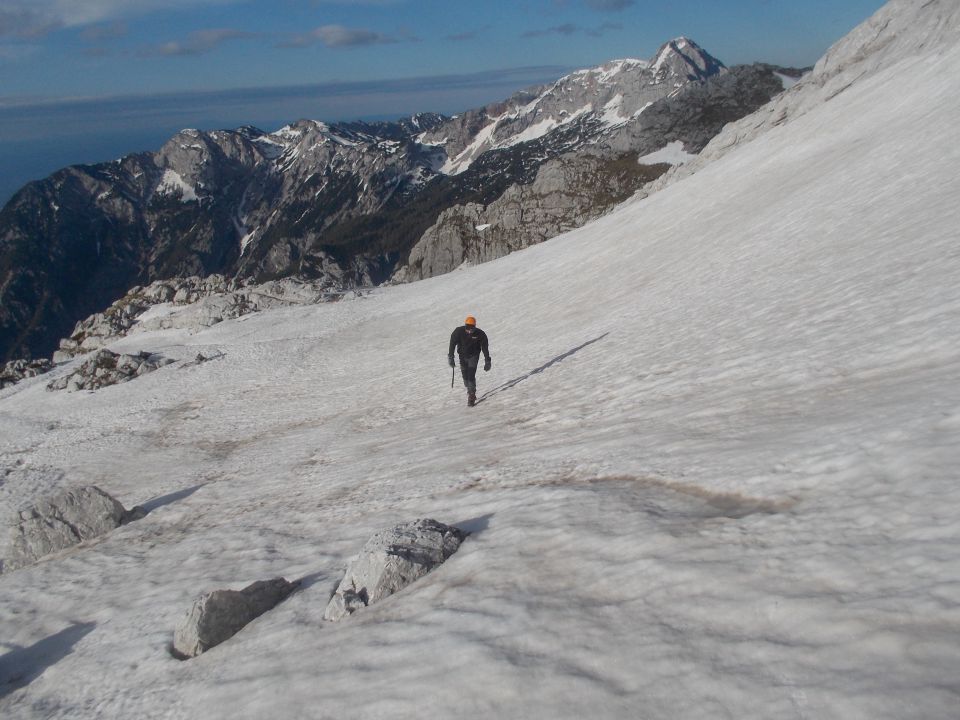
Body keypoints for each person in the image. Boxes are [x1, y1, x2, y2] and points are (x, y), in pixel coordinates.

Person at [448, 315, 491, 407]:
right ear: (465, 326)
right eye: (468, 328)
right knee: (465, 378)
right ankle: (469, 389)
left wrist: (487, 360)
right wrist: (451, 356)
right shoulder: (458, 332)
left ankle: (472, 395)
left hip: (474, 356)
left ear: (475, 327)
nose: (469, 330)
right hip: (462, 356)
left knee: (471, 375)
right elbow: (452, 344)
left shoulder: (480, 334)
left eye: (472, 328)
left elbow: (485, 348)